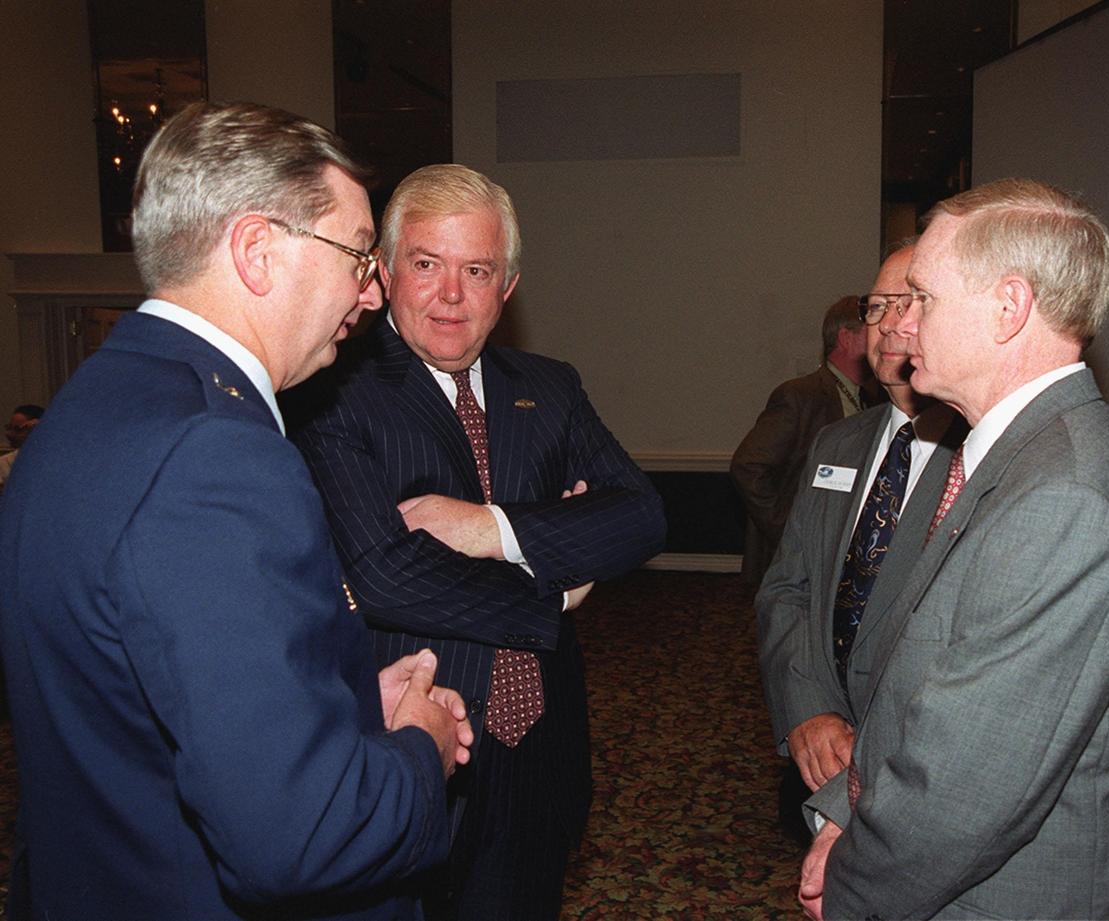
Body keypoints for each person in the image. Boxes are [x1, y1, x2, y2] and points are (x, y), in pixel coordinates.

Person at [0, 102, 472, 921]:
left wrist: (348, 702)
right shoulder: (215, 456)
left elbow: (144, 689)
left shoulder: (90, 405)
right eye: (361, 255)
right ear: (257, 251)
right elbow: (300, 835)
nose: (370, 295)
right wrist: (419, 749)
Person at [799, 179, 1109, 920]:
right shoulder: (1017, 459)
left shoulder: (1063, 497)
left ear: (1009, 308)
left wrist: (848, 883)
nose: (900, 326)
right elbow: (919, 682)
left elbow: (966, 790)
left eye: (924, 299)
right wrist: (845, 811)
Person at [287, 163, 667, 920]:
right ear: (387, 272)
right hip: (411, 742)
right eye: (427, 264)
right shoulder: (333, 388)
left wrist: (487, 527)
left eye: (477, 269)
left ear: (509, 286)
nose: (451, 294)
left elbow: (642, 516)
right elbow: (388, 574)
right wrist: (555, 584)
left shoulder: (550, 387)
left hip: (540, 751)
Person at [757, 241, 963, 822]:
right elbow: (788, 588)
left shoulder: (986, 455)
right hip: (822, 751)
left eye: (913, 302)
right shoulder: (838, 441)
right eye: (877, 306)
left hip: (926, 771)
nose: (891, 324)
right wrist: (807, 708)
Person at [732, 298, 882, 587]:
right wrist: (788, 529)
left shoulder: (873, 399)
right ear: (846, 338)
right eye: (872, 329)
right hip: (800, 561)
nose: (882, 337)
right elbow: (748, 466)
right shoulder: (801, 395)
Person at [0, 404, 42, 492]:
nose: (9, 434)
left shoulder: (54, 458)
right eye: (9, 428)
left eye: (18, 429)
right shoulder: (4, 463)